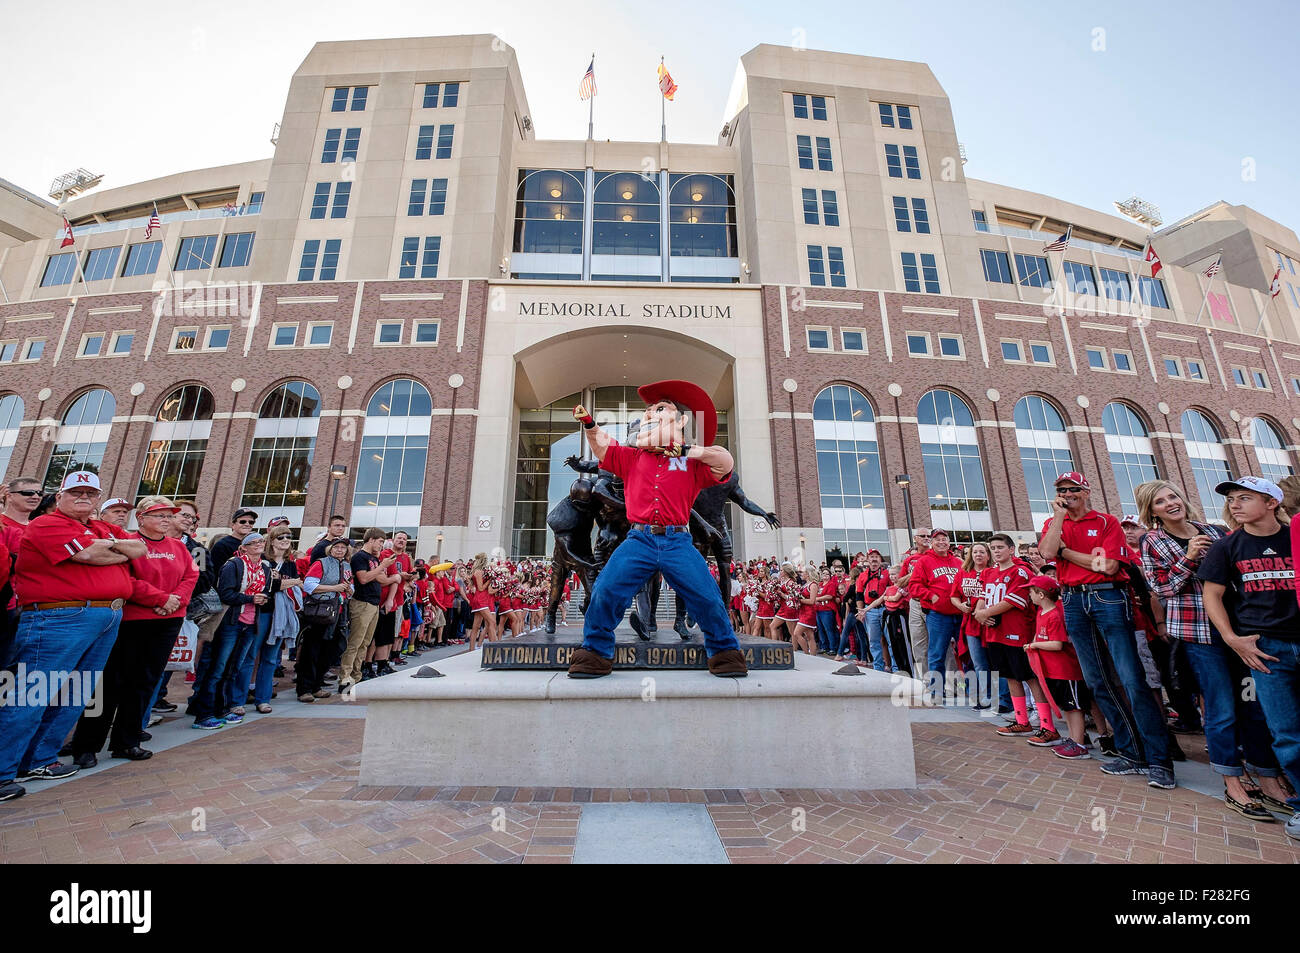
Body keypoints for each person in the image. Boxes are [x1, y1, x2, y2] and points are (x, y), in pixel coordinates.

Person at [566, 380, 746, 678]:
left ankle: (725, 652)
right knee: (606, 590)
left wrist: (687, 448)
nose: (649, 412)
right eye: (647, 410)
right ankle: (595, 653)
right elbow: (602, 447)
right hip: (639, 538)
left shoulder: (691, 460)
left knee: (706, 595)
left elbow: (724, 462)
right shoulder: (633, 456)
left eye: (660, 408)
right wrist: (589, 423)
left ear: (682, 420)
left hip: (678, 540)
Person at [1136, 479, 1284, 819]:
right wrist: (1188, 558)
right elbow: (1161, 588)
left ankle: (1268, 779)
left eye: (1173, 496)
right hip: (1200, 634)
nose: (1170, 503)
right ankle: (1233, 782)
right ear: (1152, 511)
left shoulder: (1215, 531)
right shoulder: (1153, 541)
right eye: (1160, 502)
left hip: (1239, 631)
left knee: (1253, 707)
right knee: (1221, 709)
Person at [0, 471, 144, 802]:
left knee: (76, 694)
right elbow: (90, 555)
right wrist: (112, 550)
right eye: (75, 492)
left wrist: (108, 545)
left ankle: (39, 759)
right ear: (60, 496)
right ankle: (3, 770)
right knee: (33, 693)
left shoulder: (99, 528)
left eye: (90, 493)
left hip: (105, 615)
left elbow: (139, 549)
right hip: (59, 615)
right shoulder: (46, 524)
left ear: (98, 498)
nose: (83, 498)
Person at [1039, 471, 1176, 790]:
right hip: (1073, 600)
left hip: (1107, 597)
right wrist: (1058, 518)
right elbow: (1047, 552)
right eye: (1061, 489)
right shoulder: (1054, 522)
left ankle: (1159, 760)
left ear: (1086, 491)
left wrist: (1067, 554)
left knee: (1131, 679)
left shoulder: (1106, 522)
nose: (1068, 493)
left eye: (1074, 489)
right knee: (1097, 680)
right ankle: (1131, 753)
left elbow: (1109, 566)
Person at [1199, 476, 1300, 841]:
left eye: (1245, 498)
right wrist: (1232, 639)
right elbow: (1212, 595)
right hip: (1266, 650)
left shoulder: (1296, 536)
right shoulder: (1227, 547)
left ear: (1272, 503)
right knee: (1287, 733)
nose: (1235, 505)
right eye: (1232, 499)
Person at [69, 497, 197, 766]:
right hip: (133, 619)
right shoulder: (127, 543)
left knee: (144, 682)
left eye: (168, 515)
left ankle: (126, 742)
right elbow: (126, 578)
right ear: (141, 518)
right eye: (158, 515)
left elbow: (191, 576)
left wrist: (175, 599)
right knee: (109, 683)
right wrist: (159, 598)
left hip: (168, 620)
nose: (165, 520)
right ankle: (86, 745)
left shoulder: (178, 547)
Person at [978, 533, 1055, 741]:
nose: (996, 551)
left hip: (1017, 632)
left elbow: (1013, 601)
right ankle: (1022, 721)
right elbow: (982, 598)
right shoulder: (988, 573)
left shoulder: (1021, 571)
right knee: (1010, 676)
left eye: (1000, 547)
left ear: (1011, 549)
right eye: (992, 548)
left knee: (1029, 677)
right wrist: (980, 614)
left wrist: (985, 613)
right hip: (995, 633)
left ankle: (1047, 725)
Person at [1024, 574, 1092, 759]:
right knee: (1066, 706)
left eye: (1031, 591)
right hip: (1053, 670)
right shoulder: (1041, 613)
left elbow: (1057, 644)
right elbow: (1039, 635)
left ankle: (1079, 743)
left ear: (1041, 594)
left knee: (1074, 707)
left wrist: (1034, 646)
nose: (1029, 594)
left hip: (1067, 670)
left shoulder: (1055, 614)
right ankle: (1073, 739)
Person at [340, 529, 396, 689]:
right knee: (355, 642)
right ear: (371, 540)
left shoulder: (373, 558)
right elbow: (363, 579)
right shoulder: (360, 557)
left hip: (373, 603)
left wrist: (395, 577)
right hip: (361, 602)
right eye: (380, 541)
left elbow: (380, 579)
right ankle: (345, 676)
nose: (381, 545)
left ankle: (356, 675)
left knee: (365, 642)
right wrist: (383, 566)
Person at [910, 528, 962, 695]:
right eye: (937, 539)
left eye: (944, 539)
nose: (941, 542)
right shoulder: (924, 561)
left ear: (949, 543)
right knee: (937, 653)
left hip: (961, 613)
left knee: (965, 653)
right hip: (938, 615)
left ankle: (965, 687)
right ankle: (936, 690)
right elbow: (914, 586)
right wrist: (931, 595)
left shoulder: (959, 562)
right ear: (931, 543)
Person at [300, 537, 352, 702]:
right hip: (320, 612)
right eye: (337, 547)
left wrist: (349, 590)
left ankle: (316, 685)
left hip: (338, 612)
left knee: (330, 650)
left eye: (343, 547)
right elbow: (308, 585)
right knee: (311, 650)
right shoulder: (321, 563)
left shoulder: (346, 565)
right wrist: (334, 588)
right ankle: (304, 689)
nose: (340, 550)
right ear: (330, 548)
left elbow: (351, 587)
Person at [0, 475, 42, 662]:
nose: (35, 496)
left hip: (34, 608)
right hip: (6, 604)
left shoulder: (41, 527)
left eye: (39, 493)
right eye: (28, 492)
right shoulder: (2, 524)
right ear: (9, 495)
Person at [951, 542, 992, 709]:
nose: (978, 555)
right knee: (978, 661)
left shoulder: (993, 572)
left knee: (994, 660)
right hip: (970, 623)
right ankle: (986, 696)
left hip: (990, 622)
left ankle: (1003, 697)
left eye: (982, 552)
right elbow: (953, 596)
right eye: (975, 552)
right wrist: (961, 606)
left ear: (988, 555)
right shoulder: (963, 573)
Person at [898, 529, 932, 684]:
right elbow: (900, 582)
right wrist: (916, 572)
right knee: (918, 645)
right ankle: (924, 681)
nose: (926, 538)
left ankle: (949, 684)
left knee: (940, 646)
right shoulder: (910, 560)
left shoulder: (936, 556)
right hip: (915, 603)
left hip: (933, 603)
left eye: (928, 536)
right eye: (923, 536)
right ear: (915, 539)